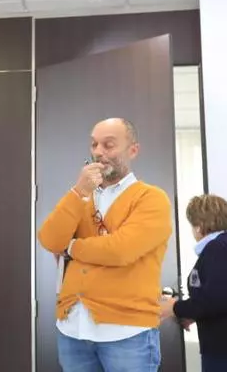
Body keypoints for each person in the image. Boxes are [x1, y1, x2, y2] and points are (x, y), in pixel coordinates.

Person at [38, 118, 172, 372]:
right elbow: (50, 240)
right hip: (72, 329)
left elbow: (121, 250)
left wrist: (71, 247)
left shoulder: (151, 198)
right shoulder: (81, 198)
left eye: (108, 145)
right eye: (94, 145)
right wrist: (78, 192)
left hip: (127, 331)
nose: (98, 152)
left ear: (133, 150)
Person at [160, 194, 227, 372]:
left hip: (222, 350)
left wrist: (175, 307)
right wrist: (193, 313)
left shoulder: (217, 248)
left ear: (199, 225)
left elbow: (215, 299)